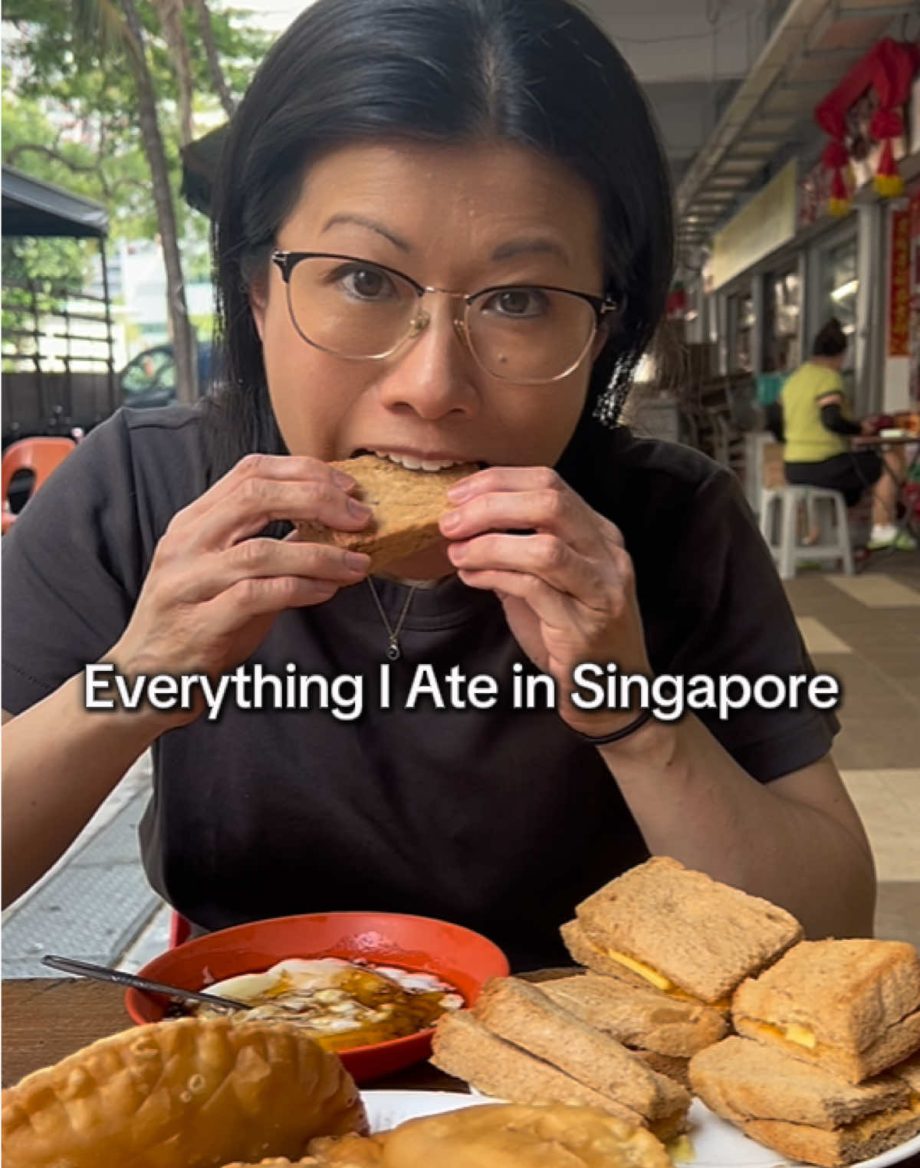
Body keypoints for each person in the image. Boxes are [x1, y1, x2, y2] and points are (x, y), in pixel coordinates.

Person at [2, 0, 874, 969]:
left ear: (604, 332)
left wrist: (634, 717)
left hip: (580, 1043)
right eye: (363, 280)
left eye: (518, 300)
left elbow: (832, 926)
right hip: (237, 1032)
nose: (430, 386)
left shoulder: (674, 523)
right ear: (257, 292)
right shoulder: (141, 486)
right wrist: (134, 682)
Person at [782, 317, 916, 550]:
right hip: (823, 464)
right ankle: (882, 528)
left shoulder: (795, 379)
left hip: (793, 466)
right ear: (841, 355)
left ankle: (816, 540)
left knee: (858, 469)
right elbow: (831, 418)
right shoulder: (828, 378)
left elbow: (777, 419)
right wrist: (859, 429)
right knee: (889, 462)